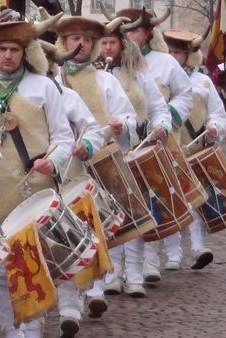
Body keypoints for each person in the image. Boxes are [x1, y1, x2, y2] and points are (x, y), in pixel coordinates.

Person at [0, 16, 74, 338]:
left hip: (34, 187)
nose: (8, 56)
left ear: (25, 52)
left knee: (30, 262)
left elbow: (63, 136)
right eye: (2, 49)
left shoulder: (43, 87)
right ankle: (10, 337)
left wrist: (53, 161)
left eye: (14, 49)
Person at [54, 13, 137, 319]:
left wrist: (120, 126)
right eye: (75, 39)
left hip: (98, 164)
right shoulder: (50, 81)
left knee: (95, 226)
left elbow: (129, 118)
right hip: (62, 168)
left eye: (88, 40)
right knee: (66, 233)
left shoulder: (106, 80)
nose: (82, 45)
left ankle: (96, 289)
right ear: (63, 43)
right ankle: (70, 303)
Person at [113, 7, 193, 281]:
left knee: (154, 198)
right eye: (125, 31)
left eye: (135, 30)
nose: (130, 36)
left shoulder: (165, 62)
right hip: (121, 143)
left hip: (155, 139)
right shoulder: (109, 67)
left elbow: (184, 94)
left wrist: (165, 121)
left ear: (148, 33)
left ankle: (150, 263)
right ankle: (118, 270)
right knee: (124, 204)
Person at [97, 16, 171, 298]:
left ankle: (135, 274)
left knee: (135, 214)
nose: (106, 48)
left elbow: (159, 109)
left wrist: (161, 126)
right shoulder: (93, 78)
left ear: (122, 44)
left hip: (134, 150)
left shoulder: (140, 75)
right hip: (101, 156)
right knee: (111, 217)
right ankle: (113, 274)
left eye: (111, 42)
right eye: (102, 42)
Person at [40, 37, 108, 338]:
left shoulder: (66, 96)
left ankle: (69, 309)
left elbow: (93, 129)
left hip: (67, 181)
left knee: (65, 243)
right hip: (27, 187)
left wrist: (87, 144)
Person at [163, 28, 226, 270]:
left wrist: (214, 129)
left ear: (188, 55)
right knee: (171, 202)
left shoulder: (203, 82)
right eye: (169, 51)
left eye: (177, 52)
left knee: (198, 200)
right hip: (169, 150)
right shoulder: (162, 81)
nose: (172, 56)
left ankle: (199, 248)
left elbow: (218, 114)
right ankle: (173, 254)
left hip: (197, 149)